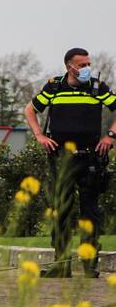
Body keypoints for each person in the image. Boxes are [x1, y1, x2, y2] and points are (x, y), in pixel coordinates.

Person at [23, 47, 116, 277]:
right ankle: (61, 265)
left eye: (88, 64)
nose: (86, 68)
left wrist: (110, 136)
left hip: (90, 158)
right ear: (69, 67)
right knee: (61, 211)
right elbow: (30, 110)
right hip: (61, 159)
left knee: (90, 213)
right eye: (82, 65)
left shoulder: (97, 88)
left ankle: (89, 264)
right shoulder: (54, 87)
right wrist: (39, 136)